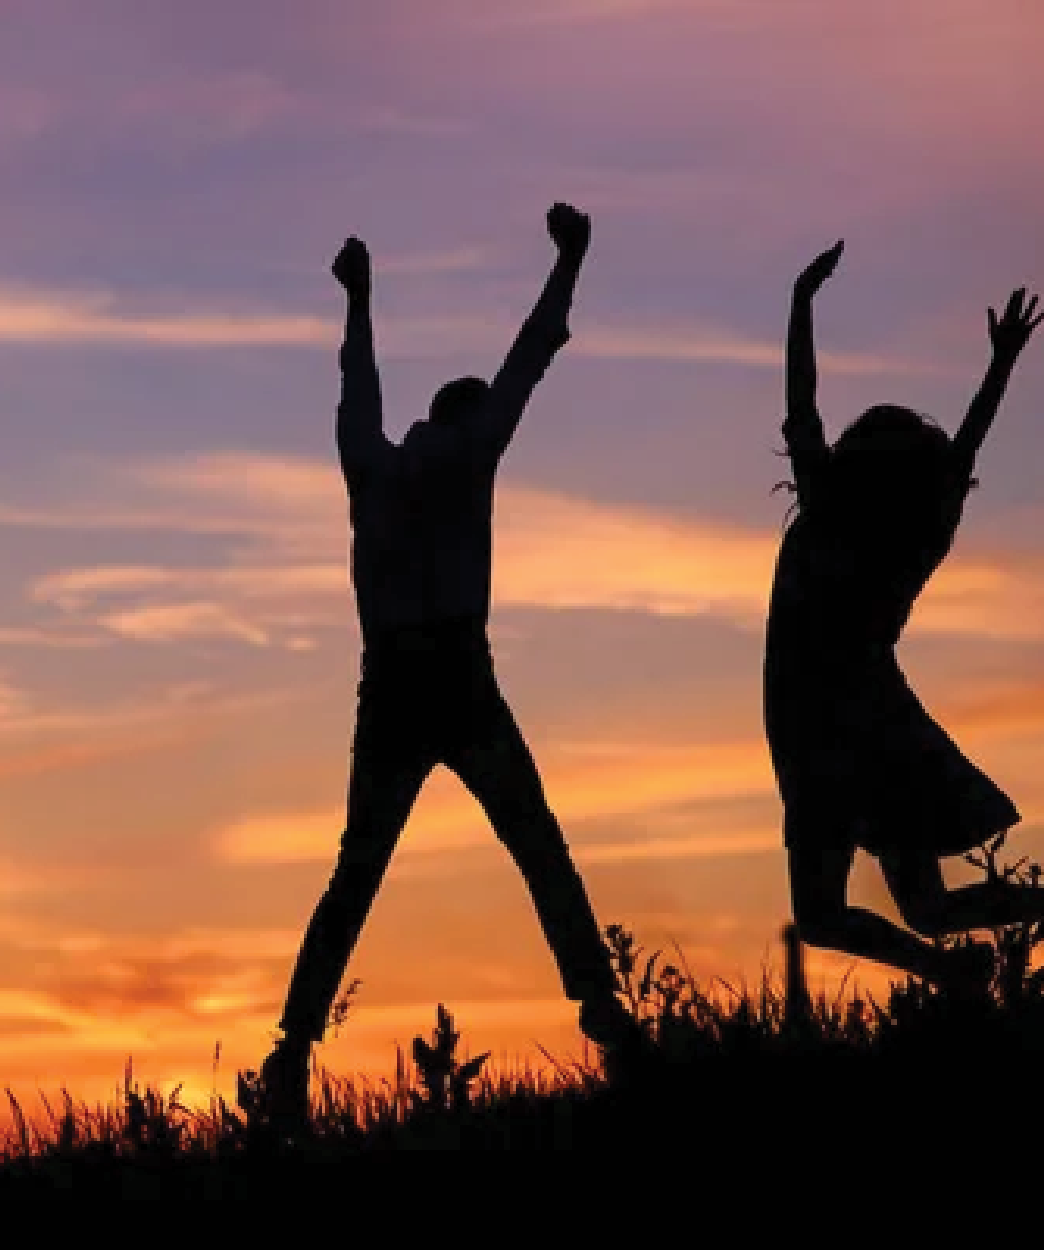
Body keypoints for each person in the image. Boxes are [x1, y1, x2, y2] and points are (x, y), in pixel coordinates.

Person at [256, 203, 636, 1128]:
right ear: (461, 425)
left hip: (412, 681)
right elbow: (526, 358)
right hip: (443, 681)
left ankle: (294, 1050)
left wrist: (360, 299)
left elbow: (374, 382)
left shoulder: (383, 469)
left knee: (396, 863)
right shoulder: (445, 462)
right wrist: (570, 260)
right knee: (521, 845)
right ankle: (604, 1016)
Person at [766, 239, 1044, 991]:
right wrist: (999, 366)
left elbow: (805, 408)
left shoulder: (840, 517)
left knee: (831, 913)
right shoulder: (902, 535)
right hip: (868, 728)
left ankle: (957, 969)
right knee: (926, 907)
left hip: (829, 733)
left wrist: (801, 302)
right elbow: (943, 452)